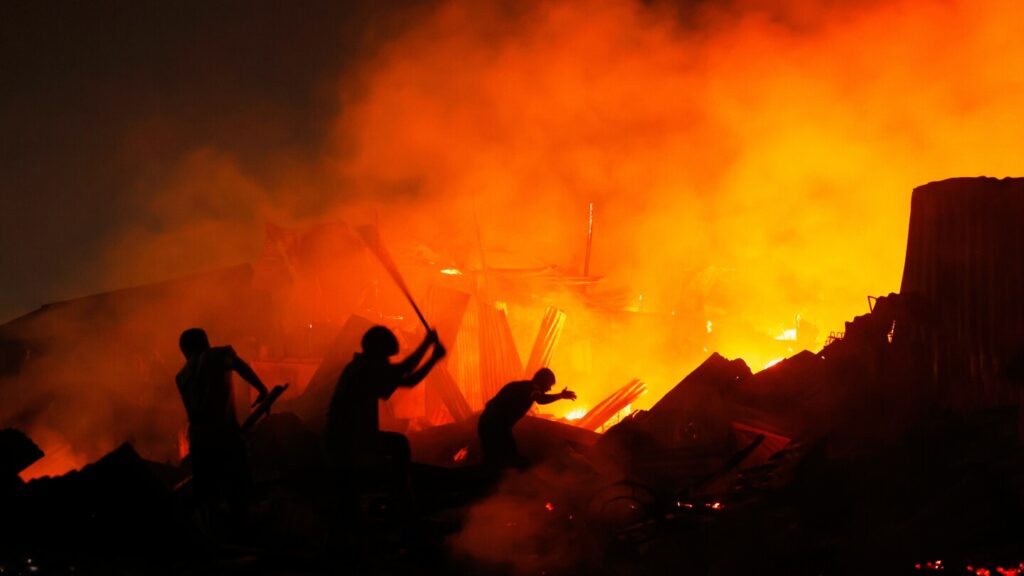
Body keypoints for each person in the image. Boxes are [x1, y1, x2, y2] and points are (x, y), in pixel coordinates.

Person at [175, 327, 268, 531]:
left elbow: (192, 412)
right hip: (225, 436)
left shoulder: (181, 376)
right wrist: (261, 388)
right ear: (206, 342)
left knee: (207, 493)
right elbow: (240, 366)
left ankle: (214, 536)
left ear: (185, 350)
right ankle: (241, 530)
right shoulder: (218, 355)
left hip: (200, 440)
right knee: (237, 485)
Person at [325, 326, 446, 473]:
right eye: (385, 356)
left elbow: (405, 370)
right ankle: (400, 492)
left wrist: (427, 345)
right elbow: (409, 376)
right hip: (351, 439)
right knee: (399, 445)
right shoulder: (367, 370)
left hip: (342, 436)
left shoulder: (358, 366)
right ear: (377, 351)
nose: (387, 361)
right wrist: (432, 357)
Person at [477, 368, 576, 471]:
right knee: (509, 459)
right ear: (542, 381)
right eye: (549, 385)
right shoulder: (532, 389)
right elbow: (541, 400)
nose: (549, 389)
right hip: (495, 426)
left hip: (488, 423)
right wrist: (560, 395)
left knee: (495, 458)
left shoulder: (522, 386)